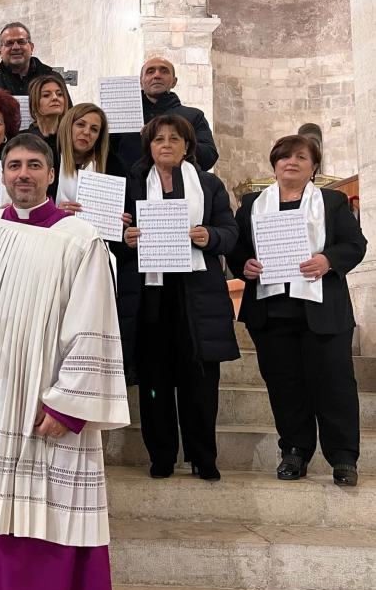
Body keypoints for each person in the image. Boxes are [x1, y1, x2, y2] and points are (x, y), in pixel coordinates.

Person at [0, 133, 129, 590]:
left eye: (33, 165)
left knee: (43, 523)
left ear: (50, 173)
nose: (22, 174)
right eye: (14, 165)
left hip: (44, 402)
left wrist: (69, 404)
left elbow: (95, 323)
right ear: (2, 173)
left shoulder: (80, 238)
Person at [227, 134, 367, 487]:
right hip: (272, 313)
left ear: (313, 166)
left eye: (301, 157)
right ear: (274, 164)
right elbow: (237, 250)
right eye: (284, 157)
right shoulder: (252, 204)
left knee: (334, 385)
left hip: (323, 310)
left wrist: (327, 259)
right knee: (285, 386)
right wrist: (246, 265)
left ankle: (344, 458)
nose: (292, 162)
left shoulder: (333, 202)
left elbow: (355, 244)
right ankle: (294, 451)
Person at [124, 114, 239, 480]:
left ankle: (204, 456)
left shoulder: (208, 184)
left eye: (175, 139)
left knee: (200, 384)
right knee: (155, 384)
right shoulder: (134, 183)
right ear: (150, 147)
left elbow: (230, 230)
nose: (167, 145)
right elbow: (117, 230)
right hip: (152, 298)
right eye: (159, 139)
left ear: (187, 146)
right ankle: (161, 455)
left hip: (198, 296)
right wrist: (125, 240)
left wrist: (211, 237)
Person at [55, 104, 136, 383]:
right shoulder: (48, 156)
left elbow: (127, 217)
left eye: (94, 129)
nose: (86, 133)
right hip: (54, 253)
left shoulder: (112, 165)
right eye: (81, 125)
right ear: (68, 125)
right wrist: (55, 210)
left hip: (96, 255)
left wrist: (122, 222)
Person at [113, 57, 219, 173]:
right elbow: (106, 156)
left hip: (176, 188)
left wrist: (177, 139)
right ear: (141, 82)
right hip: (130, 189)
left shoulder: (194, 116)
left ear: (174, 82)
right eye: (150, 71)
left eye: (164, 71)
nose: (157, 75)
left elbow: (209, 156)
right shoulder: (122, 117)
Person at [0, 22, 72, 104]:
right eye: (9, 43)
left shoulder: (54, 79)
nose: (15, 47)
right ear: (0, 52)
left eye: (21, 41)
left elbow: (67, 119)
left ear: (31, 47)